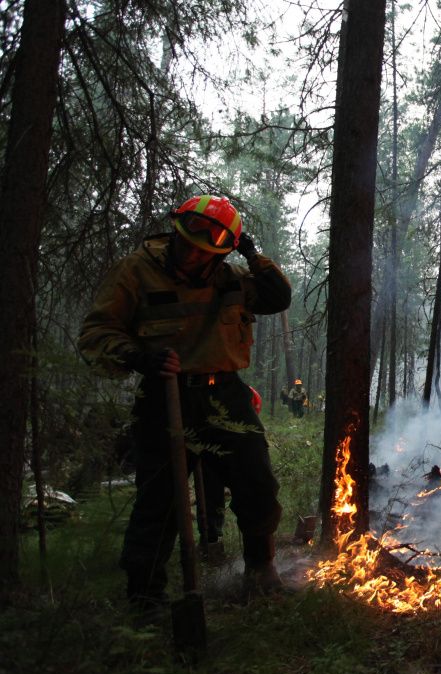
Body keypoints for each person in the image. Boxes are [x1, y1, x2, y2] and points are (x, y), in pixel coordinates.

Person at [79, 195, 291, 608]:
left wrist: (250, 253)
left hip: (225, 395)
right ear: (176, 233)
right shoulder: (136, 271)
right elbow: (97, 332)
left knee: (257, 483)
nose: (193, 255)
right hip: (164, 394)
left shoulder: (231, 278)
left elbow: (277, 297)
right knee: (158, 502)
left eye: (205, 251)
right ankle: (145, 596)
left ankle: (260, 573)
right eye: (187, 244)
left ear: (221, 253)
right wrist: (138, 357)